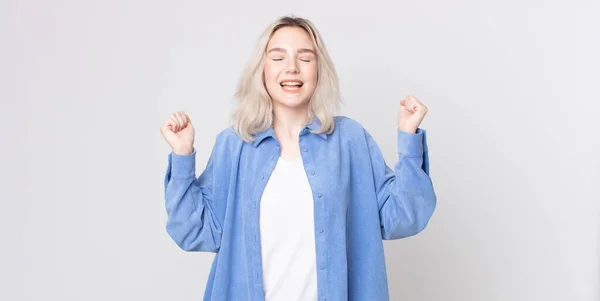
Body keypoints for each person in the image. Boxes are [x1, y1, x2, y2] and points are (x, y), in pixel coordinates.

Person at [160, 16, 437, 301]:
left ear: (319, 71)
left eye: (305, 58)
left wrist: (409, 137)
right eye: (278, 57)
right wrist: (182, 156)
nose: (292, 68)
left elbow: (402, 217)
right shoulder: (234, 145)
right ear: (262, 70)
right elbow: (195, 231)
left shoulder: (350, 140)